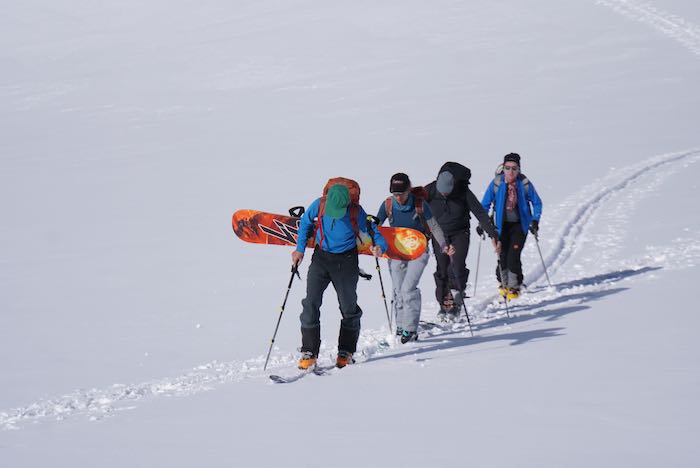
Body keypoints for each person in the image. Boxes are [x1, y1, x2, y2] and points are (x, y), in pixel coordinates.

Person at [292, 179, 387, 370]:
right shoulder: (319, 204)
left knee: (348, 306)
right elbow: (304, 223)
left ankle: (346, 351)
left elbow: (373, 231)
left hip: (346, 261)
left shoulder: (355, 212)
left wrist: (380, 247)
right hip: (321, 258)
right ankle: (309, 351)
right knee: (310, 302)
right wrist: (300, 249)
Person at [376, 173, 451, 343]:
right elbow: (376, 226)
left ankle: (410, 330)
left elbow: (434, 226)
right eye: (395, 194)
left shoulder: (420, 205)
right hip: (396, 252)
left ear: (409, 190)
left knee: (408, 289)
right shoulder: (388, 204)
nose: (398, 197)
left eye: (401, 193)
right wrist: (373, 244)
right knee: (398, 290)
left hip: (419, 251)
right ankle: (401, 326)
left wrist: (443, 245)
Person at [425, 162, 500, 321]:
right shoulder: (429, 191)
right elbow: (417, 209)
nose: (445, 195)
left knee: (456, 265)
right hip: (439, 234)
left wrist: (493, 234)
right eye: (442, 192)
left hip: (460, 232)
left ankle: (455, 301)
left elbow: (479, 212)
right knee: (442, 268)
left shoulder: (463, 191)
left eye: (448, 192)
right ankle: (443, 303)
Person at [480, 153, 543, 300]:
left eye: (514, 168)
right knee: (503, 255)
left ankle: (514, 286)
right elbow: (484, 205)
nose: (510, 172)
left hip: (520, 226)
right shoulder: (497, 183)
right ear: (503, 168)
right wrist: (482, 223)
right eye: (507, 168)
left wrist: (535, 220)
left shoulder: (524, 183)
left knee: (513, 255)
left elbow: (537, 203)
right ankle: (504, 282)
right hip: (501, 227)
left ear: (519, 169)